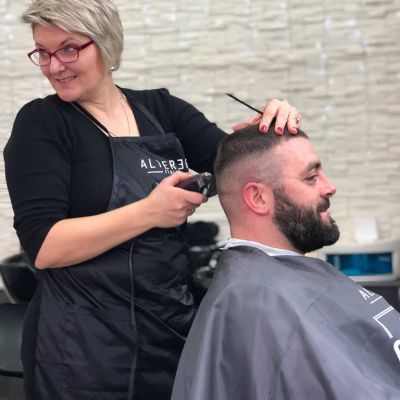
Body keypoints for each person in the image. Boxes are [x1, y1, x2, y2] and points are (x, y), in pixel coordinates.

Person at [3, 1, 302, 399]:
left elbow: (238, 170)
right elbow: (44, 246)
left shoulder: (162, 110)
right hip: (82, 352)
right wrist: (149, 212)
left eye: (69, 49)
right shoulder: (42, 124)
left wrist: (268, 130)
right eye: (43, 52)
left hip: (168, 332)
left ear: (107, 44)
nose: (54, 66)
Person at [171, 124, 400, 400]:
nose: (330, 187)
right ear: (258, 197)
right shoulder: (255, 304)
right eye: (311, 177)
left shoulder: (274, 283)